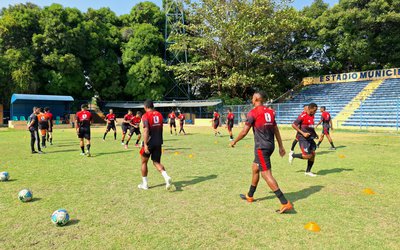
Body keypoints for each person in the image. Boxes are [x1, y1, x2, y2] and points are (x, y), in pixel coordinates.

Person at [230, 91, 293, 214]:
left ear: (255, 99)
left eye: (252, 98)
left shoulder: (253, 112)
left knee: (266, 173)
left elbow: (244, 132)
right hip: (270, 146)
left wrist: (234, 141)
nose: (252, 100)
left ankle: (285, 203)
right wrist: (280, 146)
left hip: (261, 148)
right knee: (255, 168)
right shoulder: (270, 112)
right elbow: (276, 130)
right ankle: (250, 195)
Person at [138, 99, 173, 191]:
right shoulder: (159, 114)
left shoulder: (145, 116)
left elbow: (146, 130)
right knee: (156, 162)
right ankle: (166, 177)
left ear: (145, 107)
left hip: (149, 142)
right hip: (158, 142)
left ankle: (145, 184)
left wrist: (145, 144)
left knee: (144, 162)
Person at [289, 103, 319, 177]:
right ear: (310, 108)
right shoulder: (303, 116)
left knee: (313, 154)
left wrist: (315, 134)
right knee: (307, 156)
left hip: (310, 138)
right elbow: (293, 125)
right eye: (314, 110)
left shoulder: (312, 116)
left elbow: (311, 127)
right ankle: (293, 155)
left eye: (316, 110)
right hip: (303, 138)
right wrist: (303, 133)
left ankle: (308, 171)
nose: (315, 112)